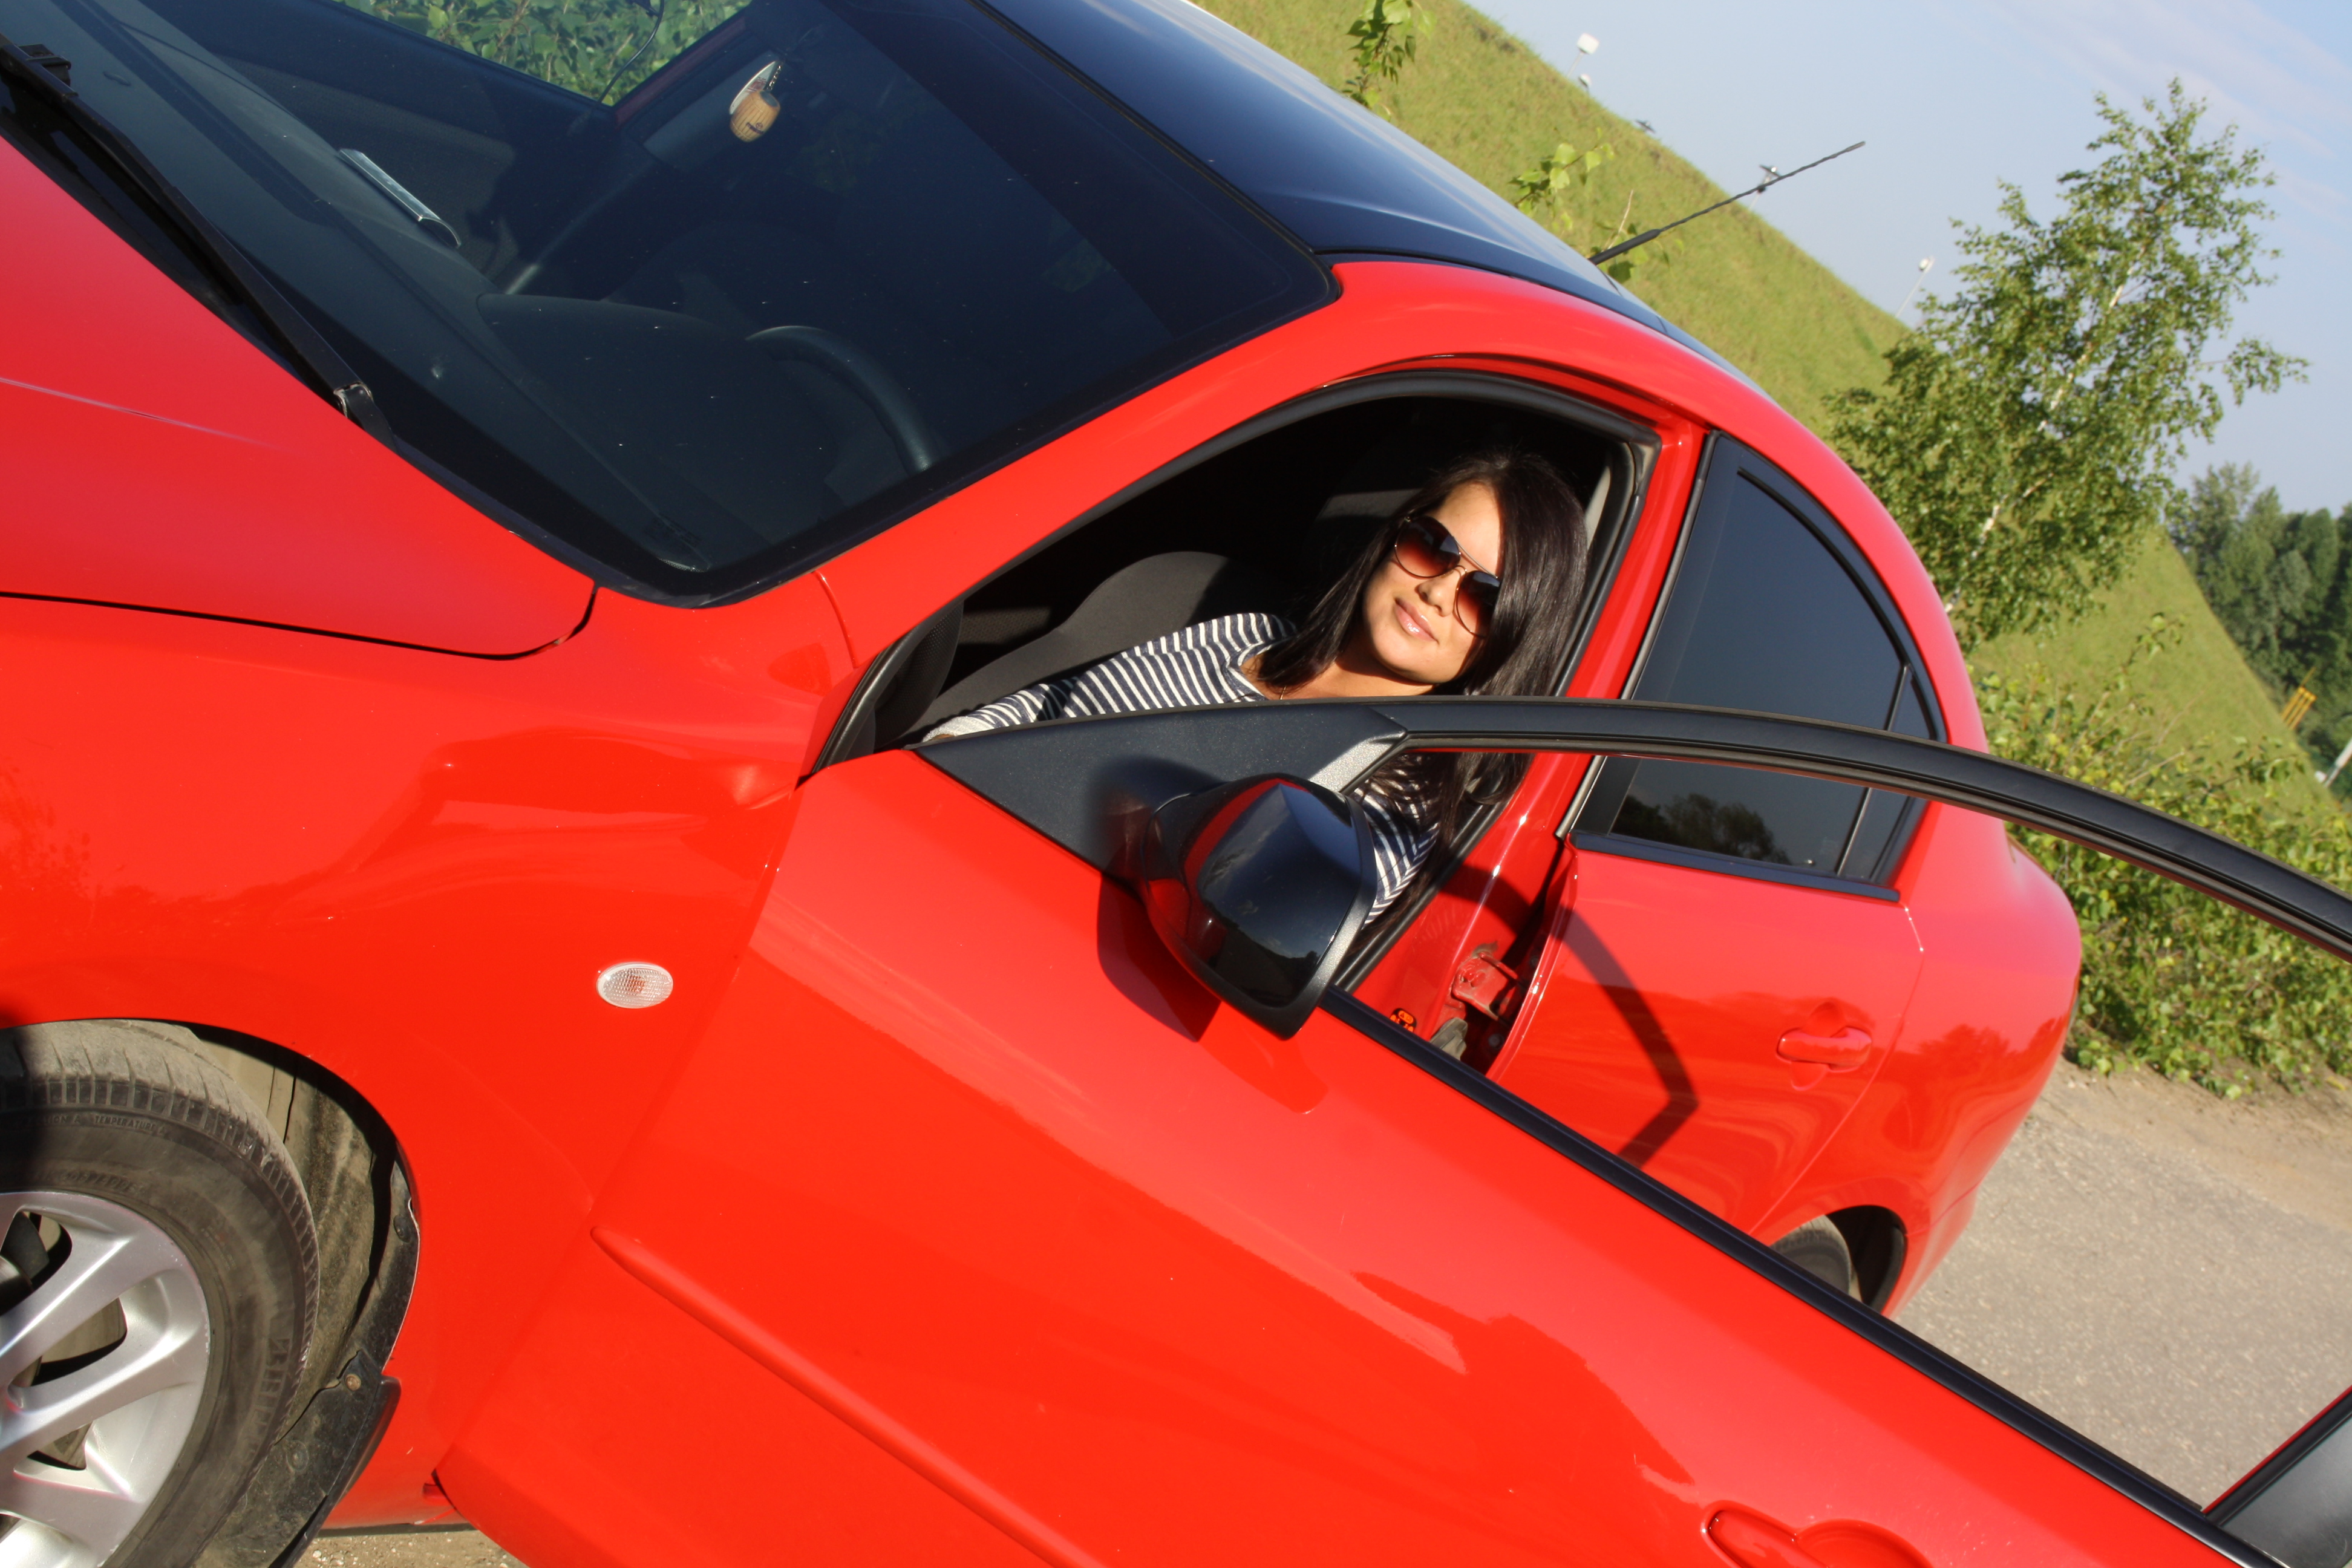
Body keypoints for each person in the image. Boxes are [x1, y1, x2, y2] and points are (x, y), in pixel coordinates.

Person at [923, 450, 1590, 915]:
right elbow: (1048, 704)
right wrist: (943, 756)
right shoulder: (1249, 633)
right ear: (1396, 537)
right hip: (941, 832)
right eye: (1433, 548)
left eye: (1484, 597)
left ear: (1513, 638)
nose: (1438, 592)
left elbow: (1221, 927)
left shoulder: (1394, 805)